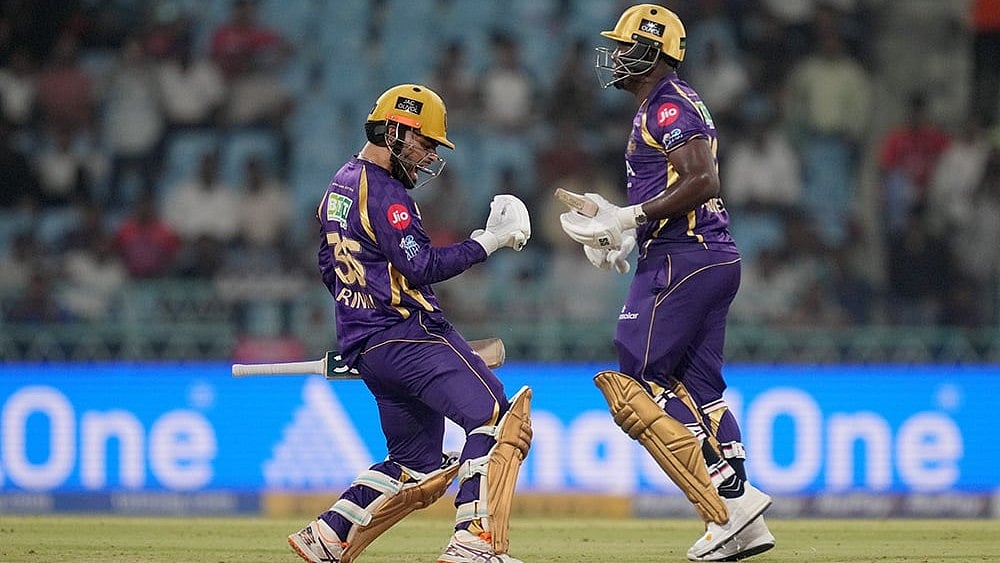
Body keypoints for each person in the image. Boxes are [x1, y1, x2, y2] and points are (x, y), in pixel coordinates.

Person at [558, 5, 774, 561]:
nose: (616, 56)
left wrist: (630, 219)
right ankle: (742, 519)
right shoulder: (661, 105)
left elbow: (703, 179)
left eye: (626, 46)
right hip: (706, 255)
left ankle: (725, 490)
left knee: (637, 374)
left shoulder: (669, 105)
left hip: (686, 256)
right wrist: (627, 229)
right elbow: (680, 185)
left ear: (652, 54)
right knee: (703, 389)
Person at [287, 84, 533, 563]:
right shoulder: (386, 193)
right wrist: (489, 242)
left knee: (415, 461)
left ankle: (329, 534)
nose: (427, 158)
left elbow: (327, 267)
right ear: (395, 130)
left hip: (371, 345)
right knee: (496, 417)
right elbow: (420, 267)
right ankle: (473, 542)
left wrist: (361, 331)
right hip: (411, 334)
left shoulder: (339, 183)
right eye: (424, 143)